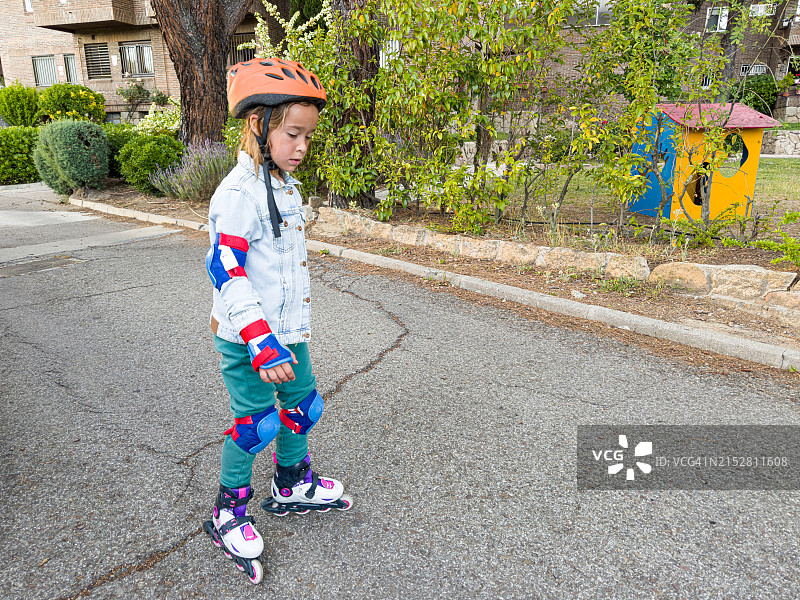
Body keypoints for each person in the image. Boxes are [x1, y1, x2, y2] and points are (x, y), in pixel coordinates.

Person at [202, 58, 351, 585]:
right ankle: (227, 512)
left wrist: (282, 335)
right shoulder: (239, 194)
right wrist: (259, 340)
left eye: (308, 135)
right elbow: (225, 266)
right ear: (257, 126)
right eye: (293, 134)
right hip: (248, 339)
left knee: (303, 407)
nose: (302, 146)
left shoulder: (282, 184)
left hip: (289, 332)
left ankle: (290, 483)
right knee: (257, 423)